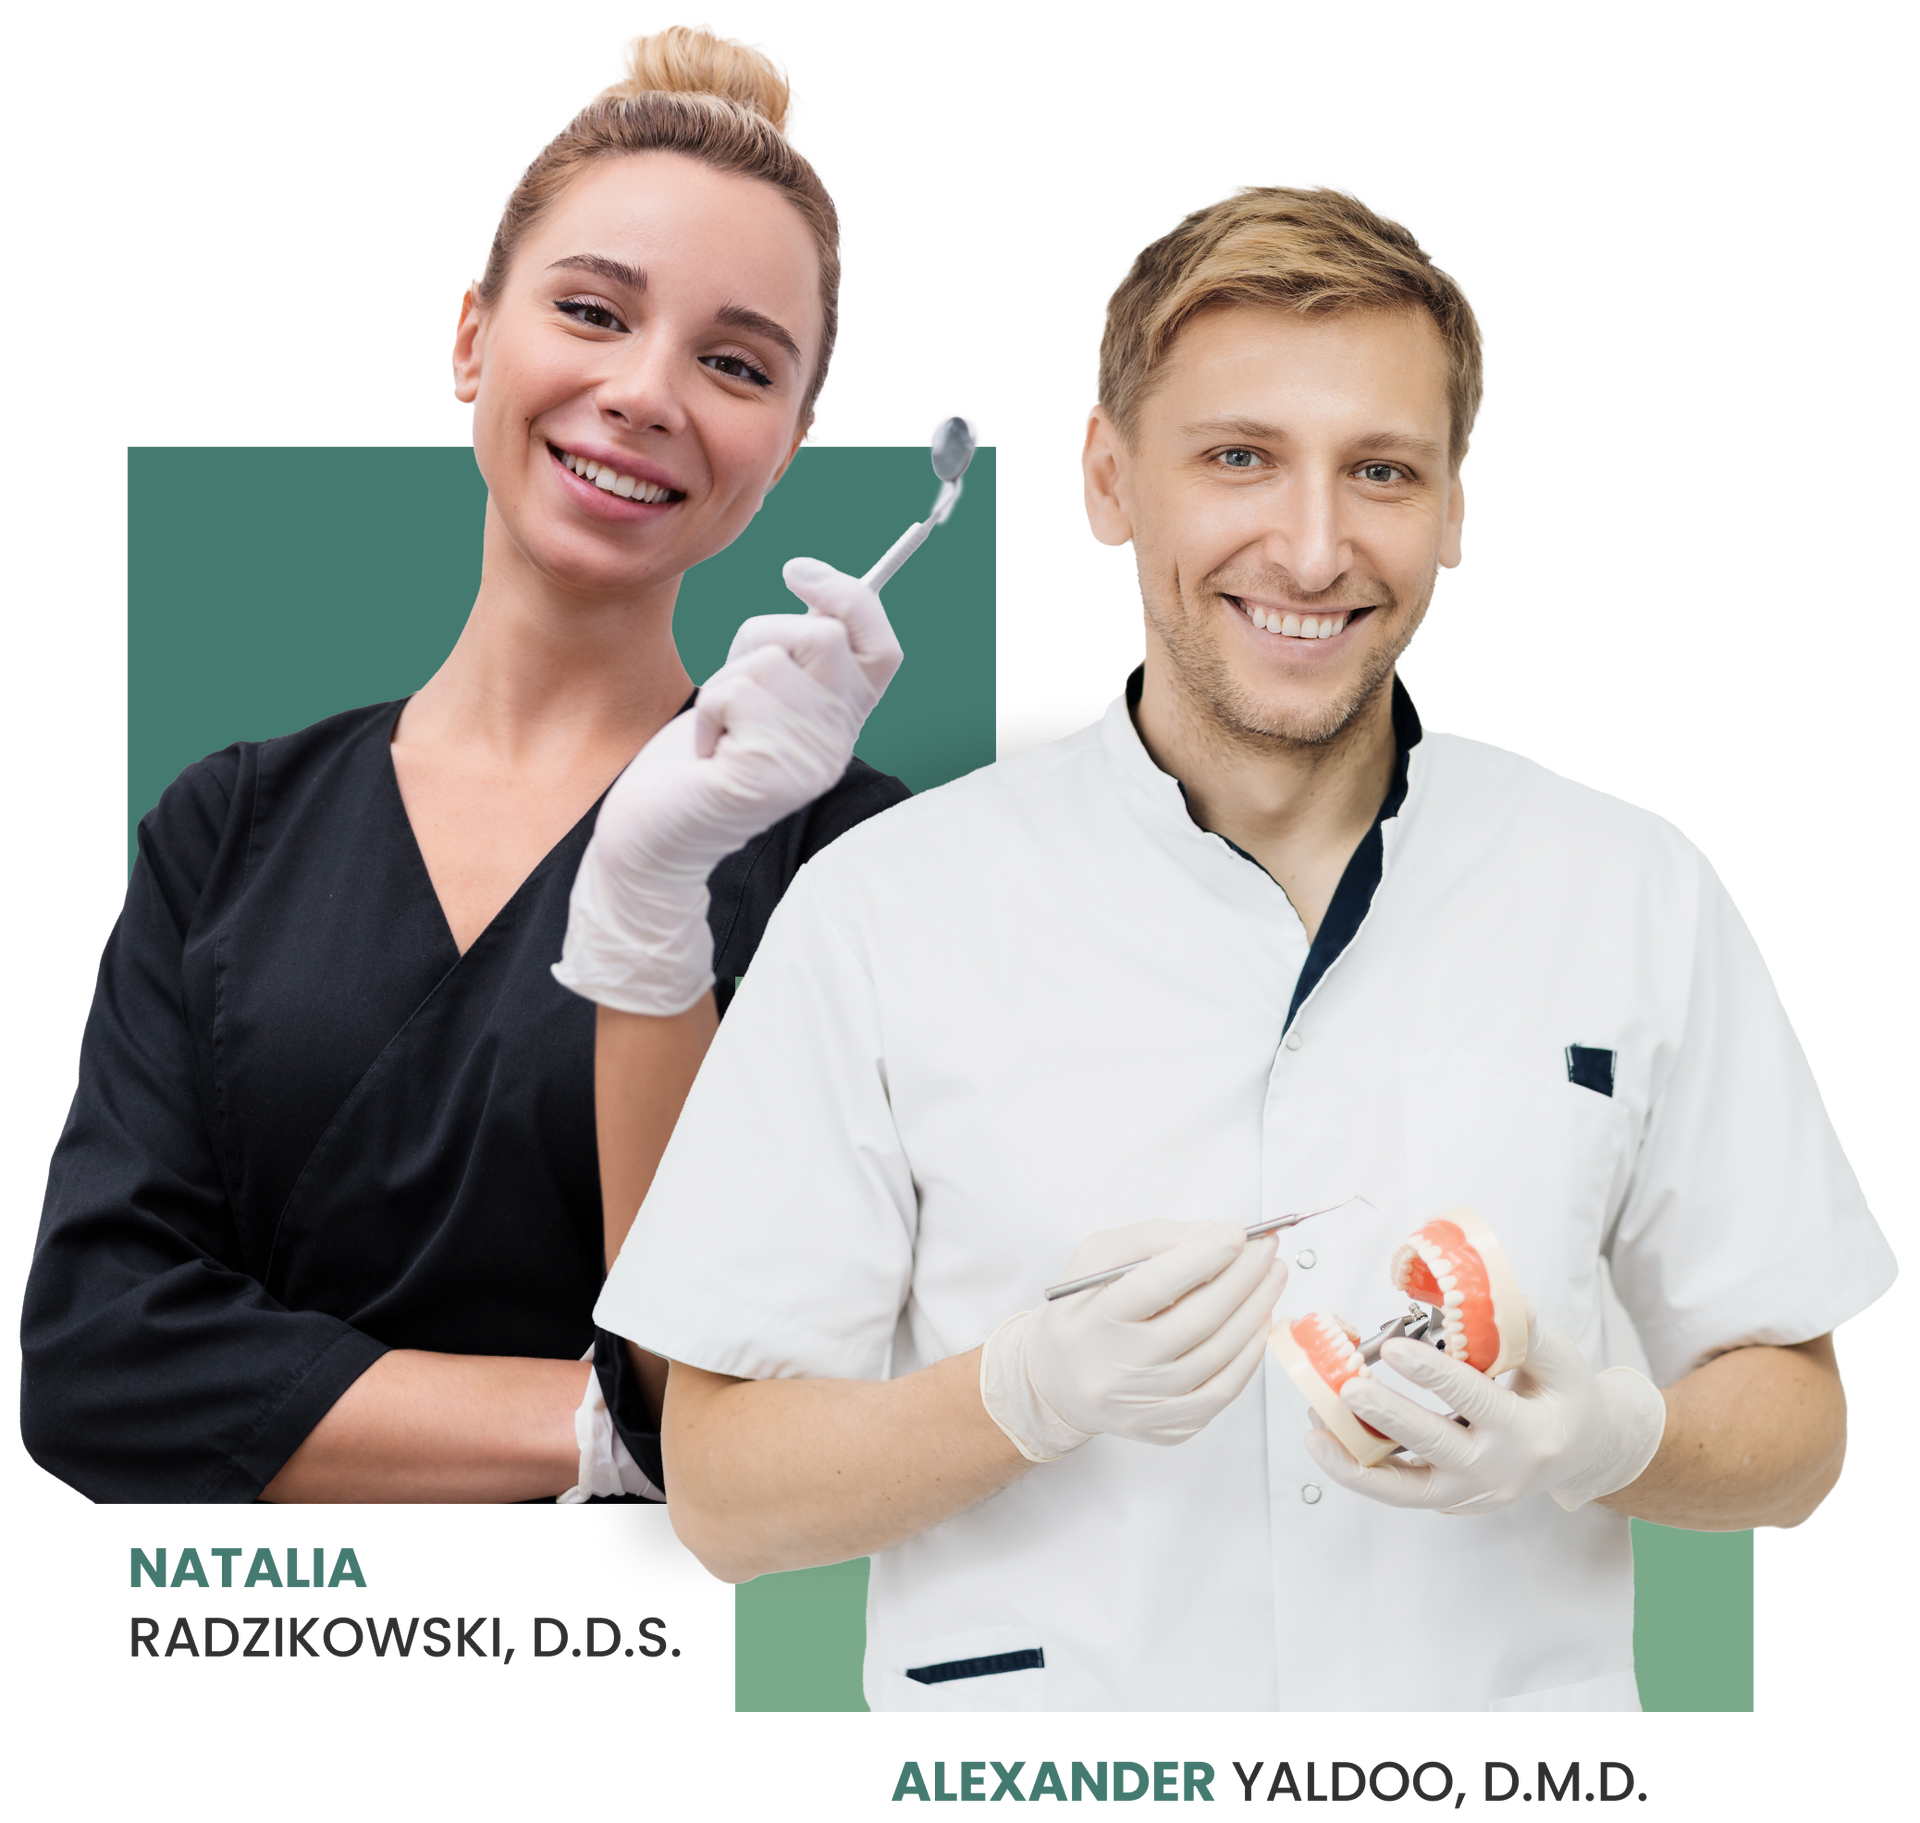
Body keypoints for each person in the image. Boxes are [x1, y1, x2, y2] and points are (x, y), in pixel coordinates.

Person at [591, 176, 1898, 1711]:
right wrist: (1019, 1393)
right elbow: (722, 1495)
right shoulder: (883, 910)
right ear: (1107, 477)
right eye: (1239, 457)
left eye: (1384, 471)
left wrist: (1611, 1434)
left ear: (1456, 512)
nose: (1314, 547)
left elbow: (1801, 1435)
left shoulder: (1632, 890)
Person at [19, 16, 906, 1506]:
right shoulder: (228, 826)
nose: (647, 393)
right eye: (593, 311)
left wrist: (659, 894)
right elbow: (97, 1361)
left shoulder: (860, 866)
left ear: (791, 445)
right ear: (471, 338)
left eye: (735, 363)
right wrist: (602, 1433)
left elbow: (782, 1378)